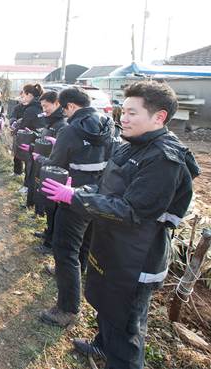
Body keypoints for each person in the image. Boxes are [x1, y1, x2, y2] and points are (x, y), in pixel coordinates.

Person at [41, 81, 200, 369]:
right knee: (107, 308)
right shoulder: (133, 146)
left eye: (131, 113)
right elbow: (106, 189)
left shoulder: (163, 160)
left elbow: (132, 211)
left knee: (127, 329)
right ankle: (102, 346)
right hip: (113, 246)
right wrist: (77, 189)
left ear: (159, 117)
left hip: (136, 260)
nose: (122, 118)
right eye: (122, 111)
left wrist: (75, 198)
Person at [37, 87, 117, 328]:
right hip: (100, 195)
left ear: (70, 106)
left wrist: (41, 158)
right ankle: (79, 270)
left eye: (65, 108)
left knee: (64, 250)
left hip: (72, 196)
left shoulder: (70, 130)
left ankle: (68, 308)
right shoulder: (107, 123)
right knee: (85, 241)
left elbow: (56, 163)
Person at [23, 90, 67, 253]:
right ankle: (48, 232)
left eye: (46, 106)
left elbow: (61, 152)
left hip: (55, 170)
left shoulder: (62, 124)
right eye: (42, 106)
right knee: (49, 206)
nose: (44, 110)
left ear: (57, 103)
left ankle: (50, 242)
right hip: (47, 166)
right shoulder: (51, 121)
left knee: (54, 207)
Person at [11, 83, 45, 186]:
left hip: (31, 140)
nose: (23, 97)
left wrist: (14, 130)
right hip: (41, 140)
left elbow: (23, 125)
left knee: (30, 165)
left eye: (24, 95)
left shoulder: (31, 109)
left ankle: (27, 186)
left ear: (29, 95)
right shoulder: (39, 106)